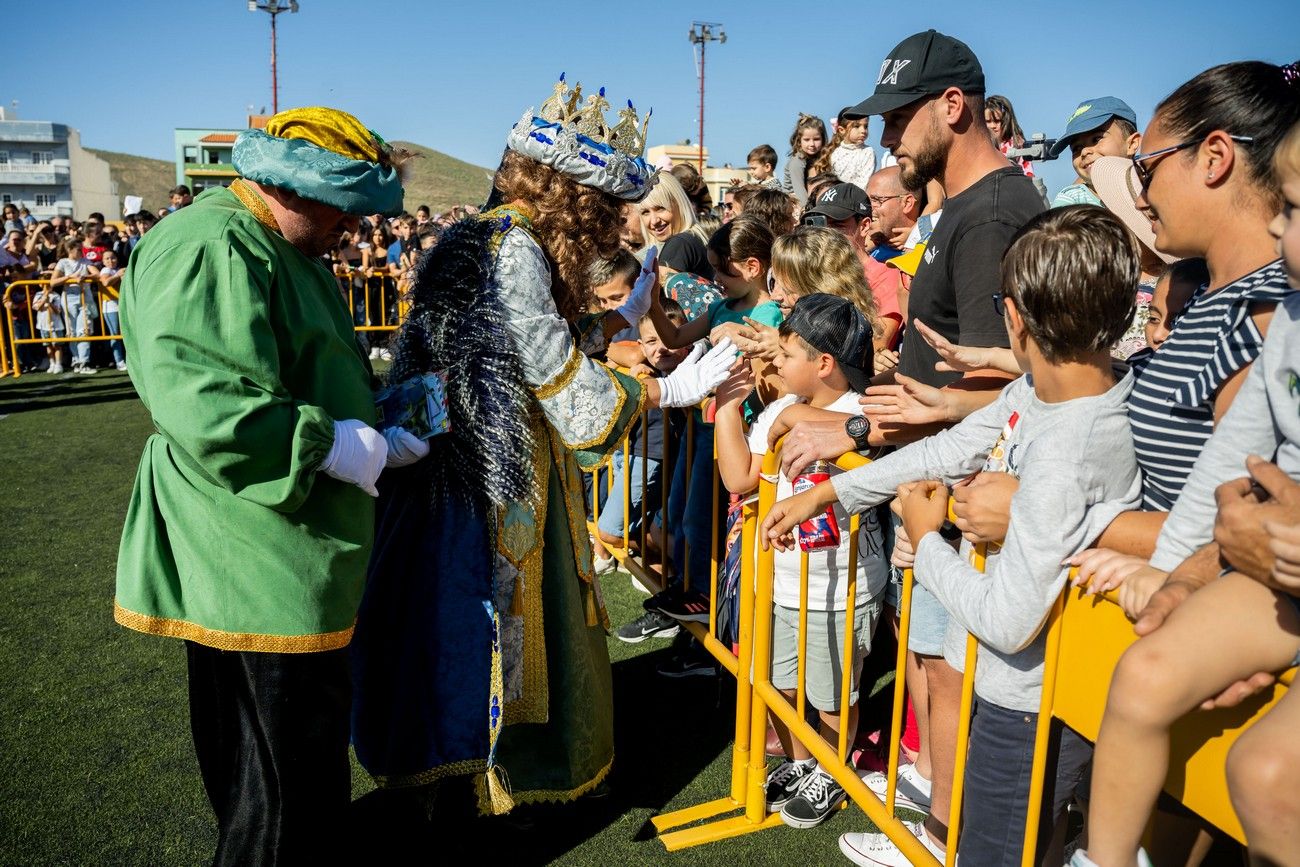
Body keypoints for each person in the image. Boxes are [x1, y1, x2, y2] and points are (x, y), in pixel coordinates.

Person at [350, 77, 738, 812]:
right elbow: (568, 392)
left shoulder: (475, 233)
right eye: (606, 209)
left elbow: (507, 345)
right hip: (490, 483)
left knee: (436, 628)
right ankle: (488, 775)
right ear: (576, 197)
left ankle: (446, 774)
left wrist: (606, 339)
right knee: (484, 630)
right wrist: (669, 391)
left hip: (438, 466)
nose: (614, 226)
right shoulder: (518, 247)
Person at [764, 205, 1144, 865]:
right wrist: (831, 492)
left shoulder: (1066, 447)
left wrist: (926, 539)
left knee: (994, 851)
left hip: (1025, 702)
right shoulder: (1046, 392)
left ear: (1016, 318)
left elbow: (1007, 617)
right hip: (1019, 689)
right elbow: (951, 449)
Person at [112, 106, 424, 864]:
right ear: (298, 187)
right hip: (254, 557)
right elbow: (207, 398)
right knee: (278, 790)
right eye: (348, 208)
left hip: (281, 548)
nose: (354, 228)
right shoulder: (213, 240)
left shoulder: (275, 243)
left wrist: (374, 418)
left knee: (295, 776)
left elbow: (296, 366)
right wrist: (335, 444)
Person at [779, 29, 1046, 864]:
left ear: (952, 106)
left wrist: (856, 425)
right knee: (930, 657)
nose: (887, 137)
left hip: (971, 490)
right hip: (938, 479)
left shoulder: (995, 209)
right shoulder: (968, 208)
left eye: (899, 117)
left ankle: (946, 837)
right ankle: (938, 818)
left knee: (952, 666)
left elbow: (1005, 385)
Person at [1073, 124, 1300, 867]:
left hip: (1274, 563)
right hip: (1269, 575)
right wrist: (1177, 572)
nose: (1275, 223)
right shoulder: (1289, 320)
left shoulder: (1265, 305)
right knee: (1145, 671)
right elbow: (1227, 461)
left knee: (1264, 772)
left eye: (1294, 210)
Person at [716, 294, 887, 828]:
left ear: (824, 363)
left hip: (841, 587)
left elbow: (877, 439)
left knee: (833, 692)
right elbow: (741, 477)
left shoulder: (858, 413)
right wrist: (726, 406)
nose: (777, 364)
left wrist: (790, 413)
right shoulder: (778, 406)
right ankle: (802, 760)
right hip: (784, 579)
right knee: (783, 684)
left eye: (787, 354)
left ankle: (833, 768)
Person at [802, 183, 904, 349]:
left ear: (864, 226)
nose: (827, 233)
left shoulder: (887, 275)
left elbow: (875, 346)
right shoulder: (811, 271)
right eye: (822, 224)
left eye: (837, 225)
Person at [1048, 97, 1141, 208]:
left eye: (1096, 139)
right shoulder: (1072, 202)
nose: (1084, 151)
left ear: (1132, 144)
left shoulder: (1152, 188)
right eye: (1076, 148)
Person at [48, 235, 98, 374]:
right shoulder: (63, 262)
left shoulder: (85, 261)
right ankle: (76, 360)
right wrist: (69, 277)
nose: (81, 251)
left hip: (84, 299)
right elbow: (53, 282)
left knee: (84, 329)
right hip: (68, 300)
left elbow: (97, 274)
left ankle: (84, 361)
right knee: (72, 331)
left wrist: (85, 277)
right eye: (78, 249)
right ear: (70, 249)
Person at [984, 94, 1033, 177]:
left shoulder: (1017, 146)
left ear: (1006, 121)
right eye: (988, 121)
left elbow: (1028, 174)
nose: (992, 126)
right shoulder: (980, 146)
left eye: (997, 121)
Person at [785, 113, 828, 206]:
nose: (812, 144)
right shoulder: (797, 161)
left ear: (823, 139)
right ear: (799, 141)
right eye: (807, 139)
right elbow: (799, 192)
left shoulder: (822, 158)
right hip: (794, 204)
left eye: (816, 139)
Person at [830, 115, 878, 190]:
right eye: (857, 126)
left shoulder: (867, 152)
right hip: (836, 197)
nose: (863, 131)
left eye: (865, 126)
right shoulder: (835, 153)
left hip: (856, 197)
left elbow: (864, 182)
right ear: (842, 130)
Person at [98, 248, 127, 370]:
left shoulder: (118, 269)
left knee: (124, 333)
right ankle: (119, 360)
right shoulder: (106, 270)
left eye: (113, 257)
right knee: (115, 334)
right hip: (110, 306)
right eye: (107, 258)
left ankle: (123, 359)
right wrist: (117, 275)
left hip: (121, 304)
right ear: (103, 261)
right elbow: (106, 282)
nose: (111, 260)